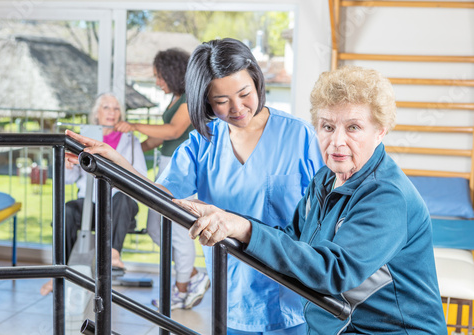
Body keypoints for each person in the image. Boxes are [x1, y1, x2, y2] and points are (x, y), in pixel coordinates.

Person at [65, 37, 324, 334]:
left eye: (244, 93)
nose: (237, 108)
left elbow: (324, 217)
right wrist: (113, 160)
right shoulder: (204, 141)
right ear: (206, 101)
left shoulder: (301, 137)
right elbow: (159, 196)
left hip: (291, 297)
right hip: (232, 298)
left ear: (256, 81)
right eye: (221, 101)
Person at [175, 66, 448, 334]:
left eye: (353, 127)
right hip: (338, 325)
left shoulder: (387, 196)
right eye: (327, 126)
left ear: (380, 131)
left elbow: (334, 271)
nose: (337, 141)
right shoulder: (326, 179)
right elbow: (294, 238)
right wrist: (232, 222)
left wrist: (244, 229)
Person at [114, 48, 205, 310]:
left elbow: (174, 130)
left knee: (177, 230)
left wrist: (133, 125)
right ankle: (195, 277)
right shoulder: (177, 97)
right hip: (166, 168)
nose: (157, 82)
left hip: (183, 172)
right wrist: (127, 150)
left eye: (159, 76)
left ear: (172, 72)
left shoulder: (191, 96)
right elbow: (159, 138)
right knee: (155, 228)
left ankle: (181, 289)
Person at [40, 93, 148, 296]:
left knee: (122, 198)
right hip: (89, 202)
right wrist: (67, 164)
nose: (112, 112)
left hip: (118, 204)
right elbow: (68, 179)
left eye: (116, 109)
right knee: (68, 211)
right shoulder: (85, 137)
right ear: (96, 113)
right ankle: (60, 272)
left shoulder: (129, 140)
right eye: (106, 107)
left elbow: (140, 176)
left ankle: (113, 255)